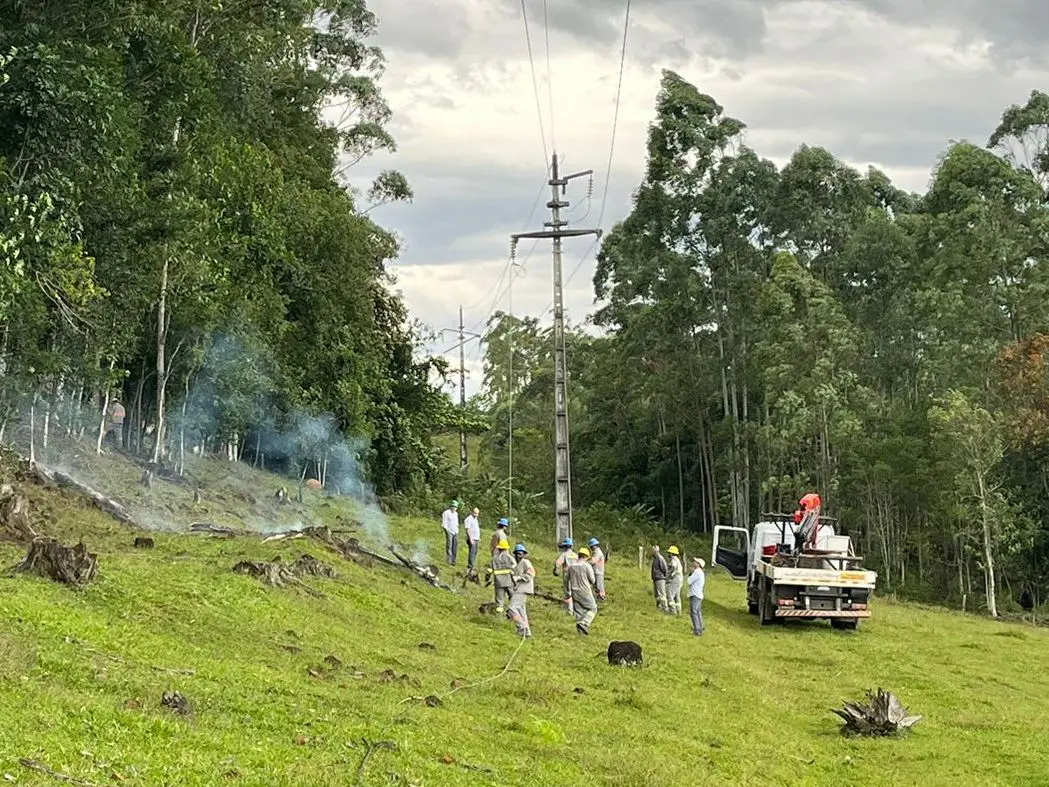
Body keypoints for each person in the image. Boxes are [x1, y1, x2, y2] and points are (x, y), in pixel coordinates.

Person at [567, 546, 598, 635]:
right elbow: (592, 580)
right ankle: (584, 623)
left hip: (574, 591)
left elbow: (566, 580)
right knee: (593, 608)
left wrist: (567, 592)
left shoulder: (571, 566)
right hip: (585, 590)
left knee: (579, 611)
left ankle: (580, 633)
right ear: (586, 556)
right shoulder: (587, 566)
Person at [508, 543, 535, 638]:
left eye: (520, 554)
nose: (517, 556)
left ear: (524, 554)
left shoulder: (525, 562)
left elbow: (531, 574)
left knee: (511, 608)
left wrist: (519, 578)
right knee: (521, 610)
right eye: (516, 554)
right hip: (519, 588)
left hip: (523, 589)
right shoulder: (517, 565)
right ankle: (527, 632)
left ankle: (521, 627)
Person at [486, 539, 516, 613]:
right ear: (506, 548)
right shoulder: (509, 557)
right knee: (513, 597)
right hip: (508, 581)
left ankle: (499, 615)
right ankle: (513, 612)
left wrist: (487, 577)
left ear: (499, 548)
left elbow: (489, 570)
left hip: (498, 582)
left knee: (499, 600)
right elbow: (515, 566)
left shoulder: (494, 558)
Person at [553, 537, 577, 614]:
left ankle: (570, 610)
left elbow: (558, 563)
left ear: (565, 546)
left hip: (567, 575)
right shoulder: (575, 555)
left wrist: (556, 570)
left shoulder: (564, 554)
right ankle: (577, 609)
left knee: (568, 592)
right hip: (576, 575)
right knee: (575, 591)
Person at [688, 557, 706, 636]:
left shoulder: (697, 572)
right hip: (699, 594)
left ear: (699, 564)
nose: (693, 562)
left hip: (695, 594)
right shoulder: (701, 572)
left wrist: (691, 573)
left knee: (693, 612)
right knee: (698, 611)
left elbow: (689, 581)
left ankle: (697, 629)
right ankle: (701, 627)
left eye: (695, 562)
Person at [650, 545, 669, 612]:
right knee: (657, 594)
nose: (651, 551)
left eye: (652, 550)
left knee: (662, 594)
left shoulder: (660, 558)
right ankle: (659, 607)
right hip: (655, 578)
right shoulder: (655, 558)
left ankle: (665, 608)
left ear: (656, 551)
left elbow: (664, 568)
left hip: (660, 578)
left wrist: (664, 576)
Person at [441, 500, 460, 566]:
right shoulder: (446, 513)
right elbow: (444, 523)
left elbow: (456, 523)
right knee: (449, 545)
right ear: (451, 506)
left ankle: (453, 560)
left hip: (455, 532)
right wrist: (447, 530)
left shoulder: (456, 514)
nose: (454, 508)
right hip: (449, 531)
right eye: (453, 506)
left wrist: (457, 531)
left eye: (455, 507)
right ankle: (449, 560)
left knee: (455, 546)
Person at [666, 545, 684, 615]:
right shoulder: (677, 560)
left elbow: (673, 567)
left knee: (670, 594)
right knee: (677, 596)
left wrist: (669, 575)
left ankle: (672, 611)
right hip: (680, 579)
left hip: (675, 579)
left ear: (671, 553)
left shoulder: (673, 560)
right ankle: (679, 611)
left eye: (669, 553)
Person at [464, 507, 481, 573]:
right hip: (472, 538)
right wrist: (470, 538)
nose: (476, 515)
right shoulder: (469, 519)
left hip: (476, 538)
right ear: (472, 512)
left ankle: (472, 565)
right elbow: (468, 530)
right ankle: (470, 566)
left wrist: (478, 537)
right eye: (475, 513)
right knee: (472, 552)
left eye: (477, 513)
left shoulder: (475, 519)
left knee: (475, 552)